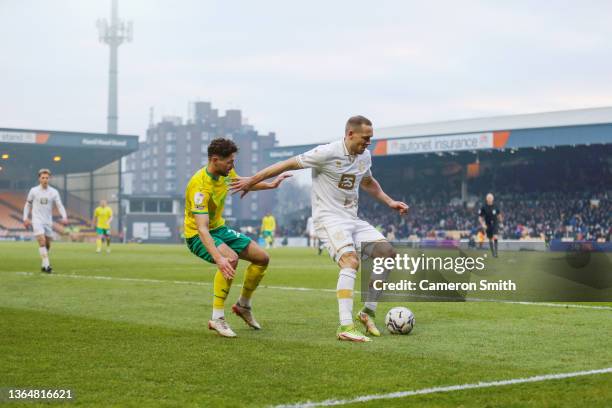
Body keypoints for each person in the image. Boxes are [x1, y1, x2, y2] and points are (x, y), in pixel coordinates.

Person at [231, 115, 409, 342]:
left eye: (371, 139)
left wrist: (390, 201)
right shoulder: (327, 152)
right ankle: (345, 326)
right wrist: (252, 181)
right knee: (350, 261)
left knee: (387, 254)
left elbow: (367, 182)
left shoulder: (364, 156)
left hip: (352, 219)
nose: (368, 143)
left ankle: (367, 312)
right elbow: (286, 164)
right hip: (328, 219)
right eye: (365, 138)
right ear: (350, 134)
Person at [184, 138, 291, 338]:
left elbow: (241, 183)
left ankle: (243, 305)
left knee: (262, 258)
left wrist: (269, 186)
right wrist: (219, 258)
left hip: (219, 229)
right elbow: (202, 229)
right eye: (229, 162)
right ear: (215, 160)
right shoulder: (200, 187)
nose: (232, 166)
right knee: (230, 258)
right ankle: (217, 318)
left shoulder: (225, 172)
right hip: (197, 235)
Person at [23, 169, 68, 273]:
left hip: (48, 221)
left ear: (49, 179)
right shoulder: (33, 190)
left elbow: (59, 205)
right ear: (39, 178)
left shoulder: (54, 192)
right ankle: (47, 266)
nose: (45, 180)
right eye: (43, 178)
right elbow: (28, 204)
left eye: (47, 178)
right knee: (42, 241)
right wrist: (25, 218)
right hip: (37, 220)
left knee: (48, 244)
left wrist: (64, 216)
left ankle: (43, 265)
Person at [478, 193, 503, 257]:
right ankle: (493, 253)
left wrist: (501, 223)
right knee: (490, 238)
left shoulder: (496, 206)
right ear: (486, 199)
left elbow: (499, 215)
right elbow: (480, 217)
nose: (489, 199)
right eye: (488, 198)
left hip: (495, 223)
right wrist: (482, 224)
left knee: (495, 236)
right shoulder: (484, 207)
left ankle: (496, 253)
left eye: (491, 198)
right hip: (488, 224)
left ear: (493, 199)